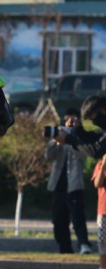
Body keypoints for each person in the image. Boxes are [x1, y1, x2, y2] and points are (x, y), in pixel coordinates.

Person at [45, 108, 92, 254]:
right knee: (58, 220)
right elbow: (48, 156)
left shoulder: (82, 137)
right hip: (58, 185)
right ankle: (65, 249)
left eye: (73, 120)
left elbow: (84, 156)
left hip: (74, 184)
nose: (70, 123)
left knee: (78, 218)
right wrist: (57, 141)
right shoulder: (59, 136)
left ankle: (84, 245)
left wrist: (72, 138)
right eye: (67, 120)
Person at [88, 157, 106, 269]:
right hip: (104, 210)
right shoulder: (100, 164)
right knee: (103, 243)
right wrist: (104, 165)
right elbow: (97, 184)